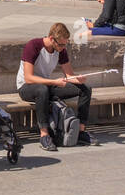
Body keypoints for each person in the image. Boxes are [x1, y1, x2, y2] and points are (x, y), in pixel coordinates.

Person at [17, 23, 92, 151]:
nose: (63, 48)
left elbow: (69, 75)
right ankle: (44, 135)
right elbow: (28, 78)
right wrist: (54, 82)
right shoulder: (33, 46)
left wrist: (78, 79)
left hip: (47, 85)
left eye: (65, 44)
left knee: (85, 89)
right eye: (61, 44)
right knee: (42, 90)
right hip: (26, 87)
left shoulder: (60, 49)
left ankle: (81, 131)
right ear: (52, 39)